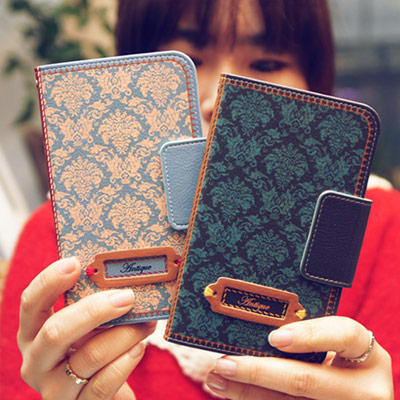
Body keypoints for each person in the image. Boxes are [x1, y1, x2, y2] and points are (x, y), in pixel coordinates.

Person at [0, 0, 398, 399]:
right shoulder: (58, 237)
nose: (218, 96)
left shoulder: (386, 229)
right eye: (189, 61)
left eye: (266, 63)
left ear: (315, 79)